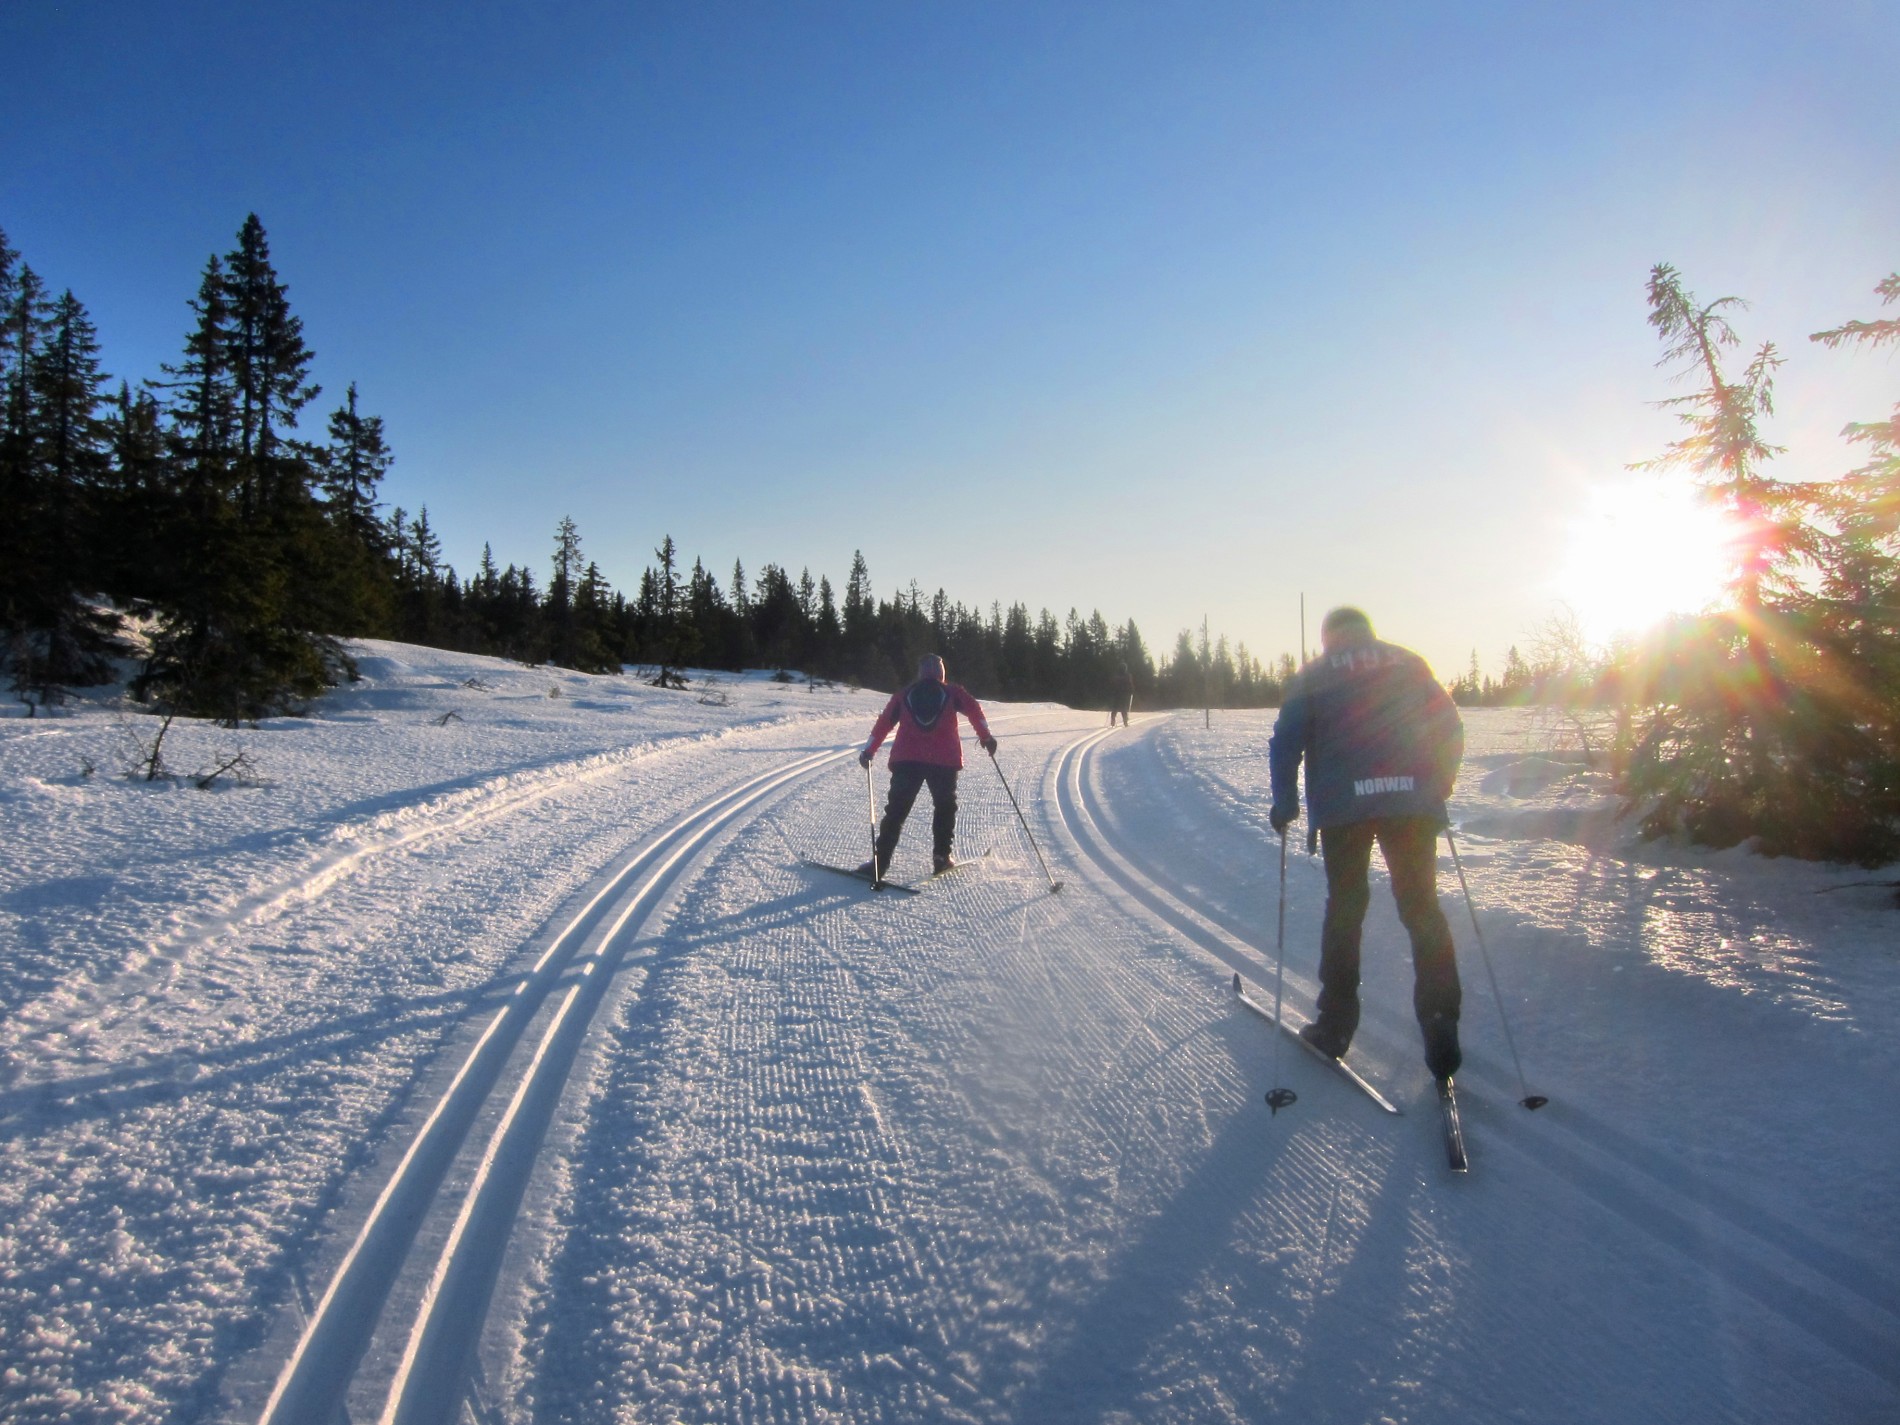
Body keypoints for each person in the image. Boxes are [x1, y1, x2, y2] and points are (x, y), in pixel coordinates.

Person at [1267, 606, 1466, 1080]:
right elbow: (1449, 725)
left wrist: (1285, 802)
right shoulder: (1408, 661)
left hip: (1344, 809)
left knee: (1347, 909)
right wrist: (1440, 781)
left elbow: (1285, 741)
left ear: (1328, 637)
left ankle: (1335, 1026)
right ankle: (1441, 1028)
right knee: (1422, 910)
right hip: (1411, 803)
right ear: (1368, 633)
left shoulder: (1315, 674)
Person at [859, 654, 998, 877]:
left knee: (896, 811)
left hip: (907, 760)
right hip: (943, 761)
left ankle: (880, 863)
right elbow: (975, 710)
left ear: (920, 673)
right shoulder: (953, 693)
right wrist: (986, 737)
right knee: (944, 807)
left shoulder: (904, 695)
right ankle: (941, 858)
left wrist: (869, 750)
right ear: (942, 673)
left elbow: (884, 723)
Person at [1109, 661, 1134, 726]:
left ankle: (1113, 719)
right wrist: (1131, 690)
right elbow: (1130, 684)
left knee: (1115, 707)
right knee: (1123, 708)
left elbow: (1112, 684)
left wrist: (1112, 691)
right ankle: (1125, 721)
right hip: (1124, 694)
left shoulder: (1116, 676)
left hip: (1116, 694)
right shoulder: (1128, 676)